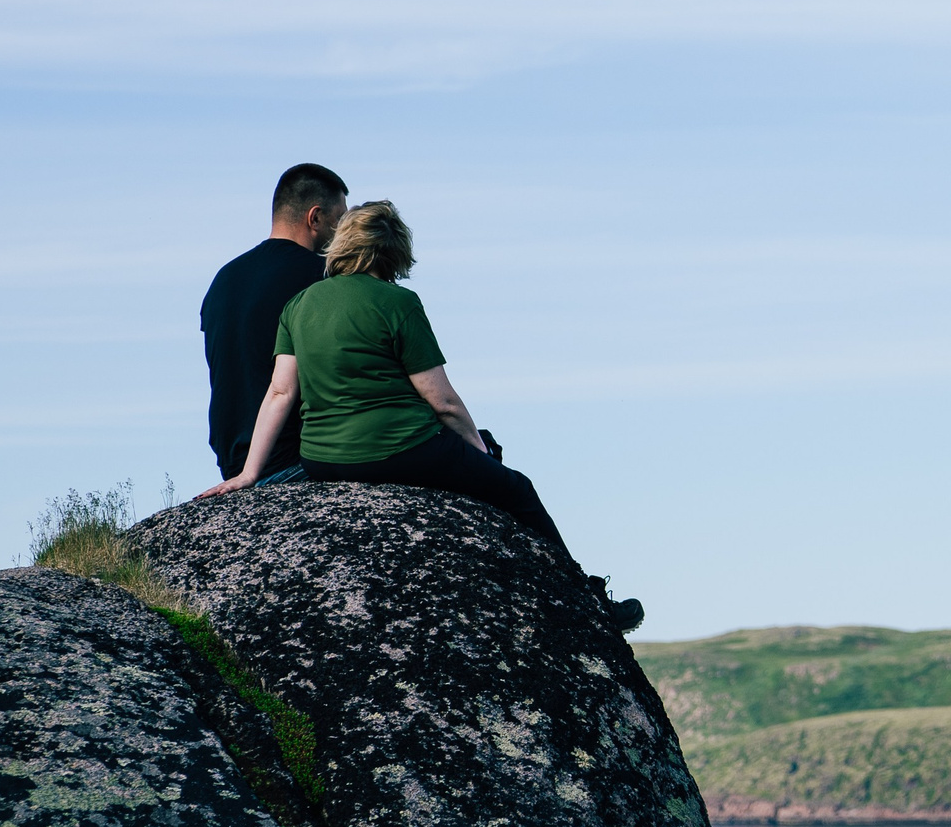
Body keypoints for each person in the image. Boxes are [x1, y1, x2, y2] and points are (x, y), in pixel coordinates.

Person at [198, 200, 640, 630]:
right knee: (517, 490)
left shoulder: (300, 304)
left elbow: (279, 392)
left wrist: (249, 475)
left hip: (323, 460)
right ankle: (591, 604)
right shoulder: (398, 302)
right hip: (403, 449)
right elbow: (442, 402)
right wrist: (481, 454)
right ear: (394, 252)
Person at [201, 163, 347, 484]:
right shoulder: (322, 277)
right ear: (316, 217)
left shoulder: (223, 280)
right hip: (296, 459)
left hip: (234, 462)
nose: (344, 235)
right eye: (340, 221)